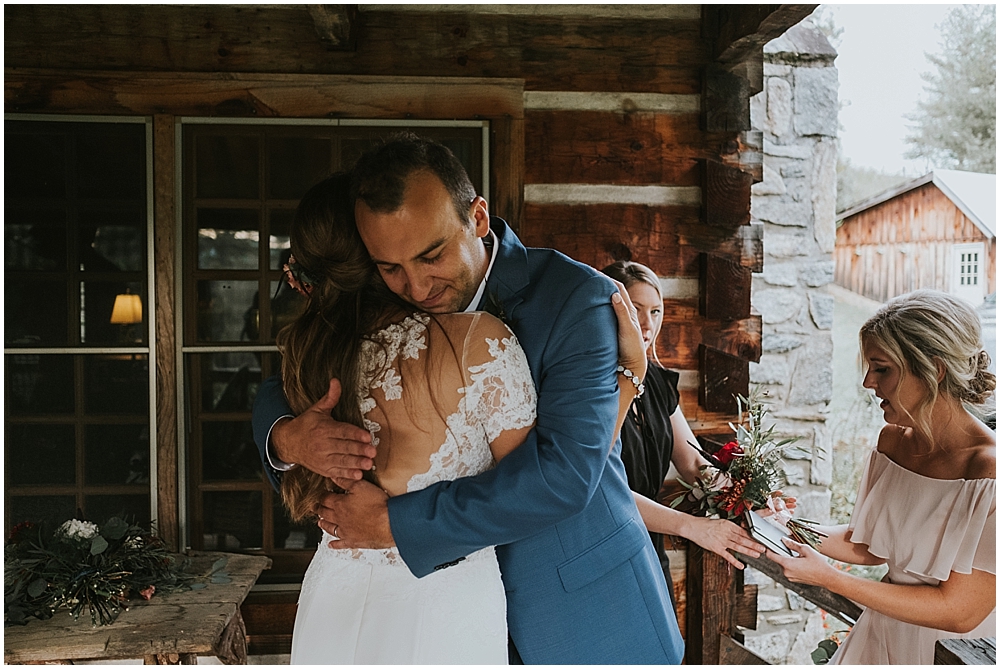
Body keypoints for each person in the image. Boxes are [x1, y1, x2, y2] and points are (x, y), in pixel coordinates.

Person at [251, 134, 684, 664]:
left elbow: (565, 474)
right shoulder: (390, 285)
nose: (414, 285)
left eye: (431, 256)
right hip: (438, 618)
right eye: (391, 268)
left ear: (477, 218)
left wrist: (396, 524)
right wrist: (287, 435)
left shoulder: (576, 298)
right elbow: (295, 373)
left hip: (580, 611)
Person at [275, 172, 537, 663]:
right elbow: (532, 492)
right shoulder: (473, 341)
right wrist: (630, 376)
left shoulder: (306, 354)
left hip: (332, 597)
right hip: (442, 604)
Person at [767, 289, 996, 665]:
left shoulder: (989, 472)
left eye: (882, 369)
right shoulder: (893, 441)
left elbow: (960, 611)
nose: (867, 383)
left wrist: (830, 578)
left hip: (951, 653)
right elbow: (870, 545)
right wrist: (788, 526)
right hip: (883, 637)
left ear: (934, 370)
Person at [601, 261, 766, 603]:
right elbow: (604, 491)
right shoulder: (587, 389)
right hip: (600, 549)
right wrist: (690, 526)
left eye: (656, 312)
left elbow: (692, 462)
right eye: (635, 310)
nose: (647, 325)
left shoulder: (659, 385)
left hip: (649, 550)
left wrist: (752, 499)